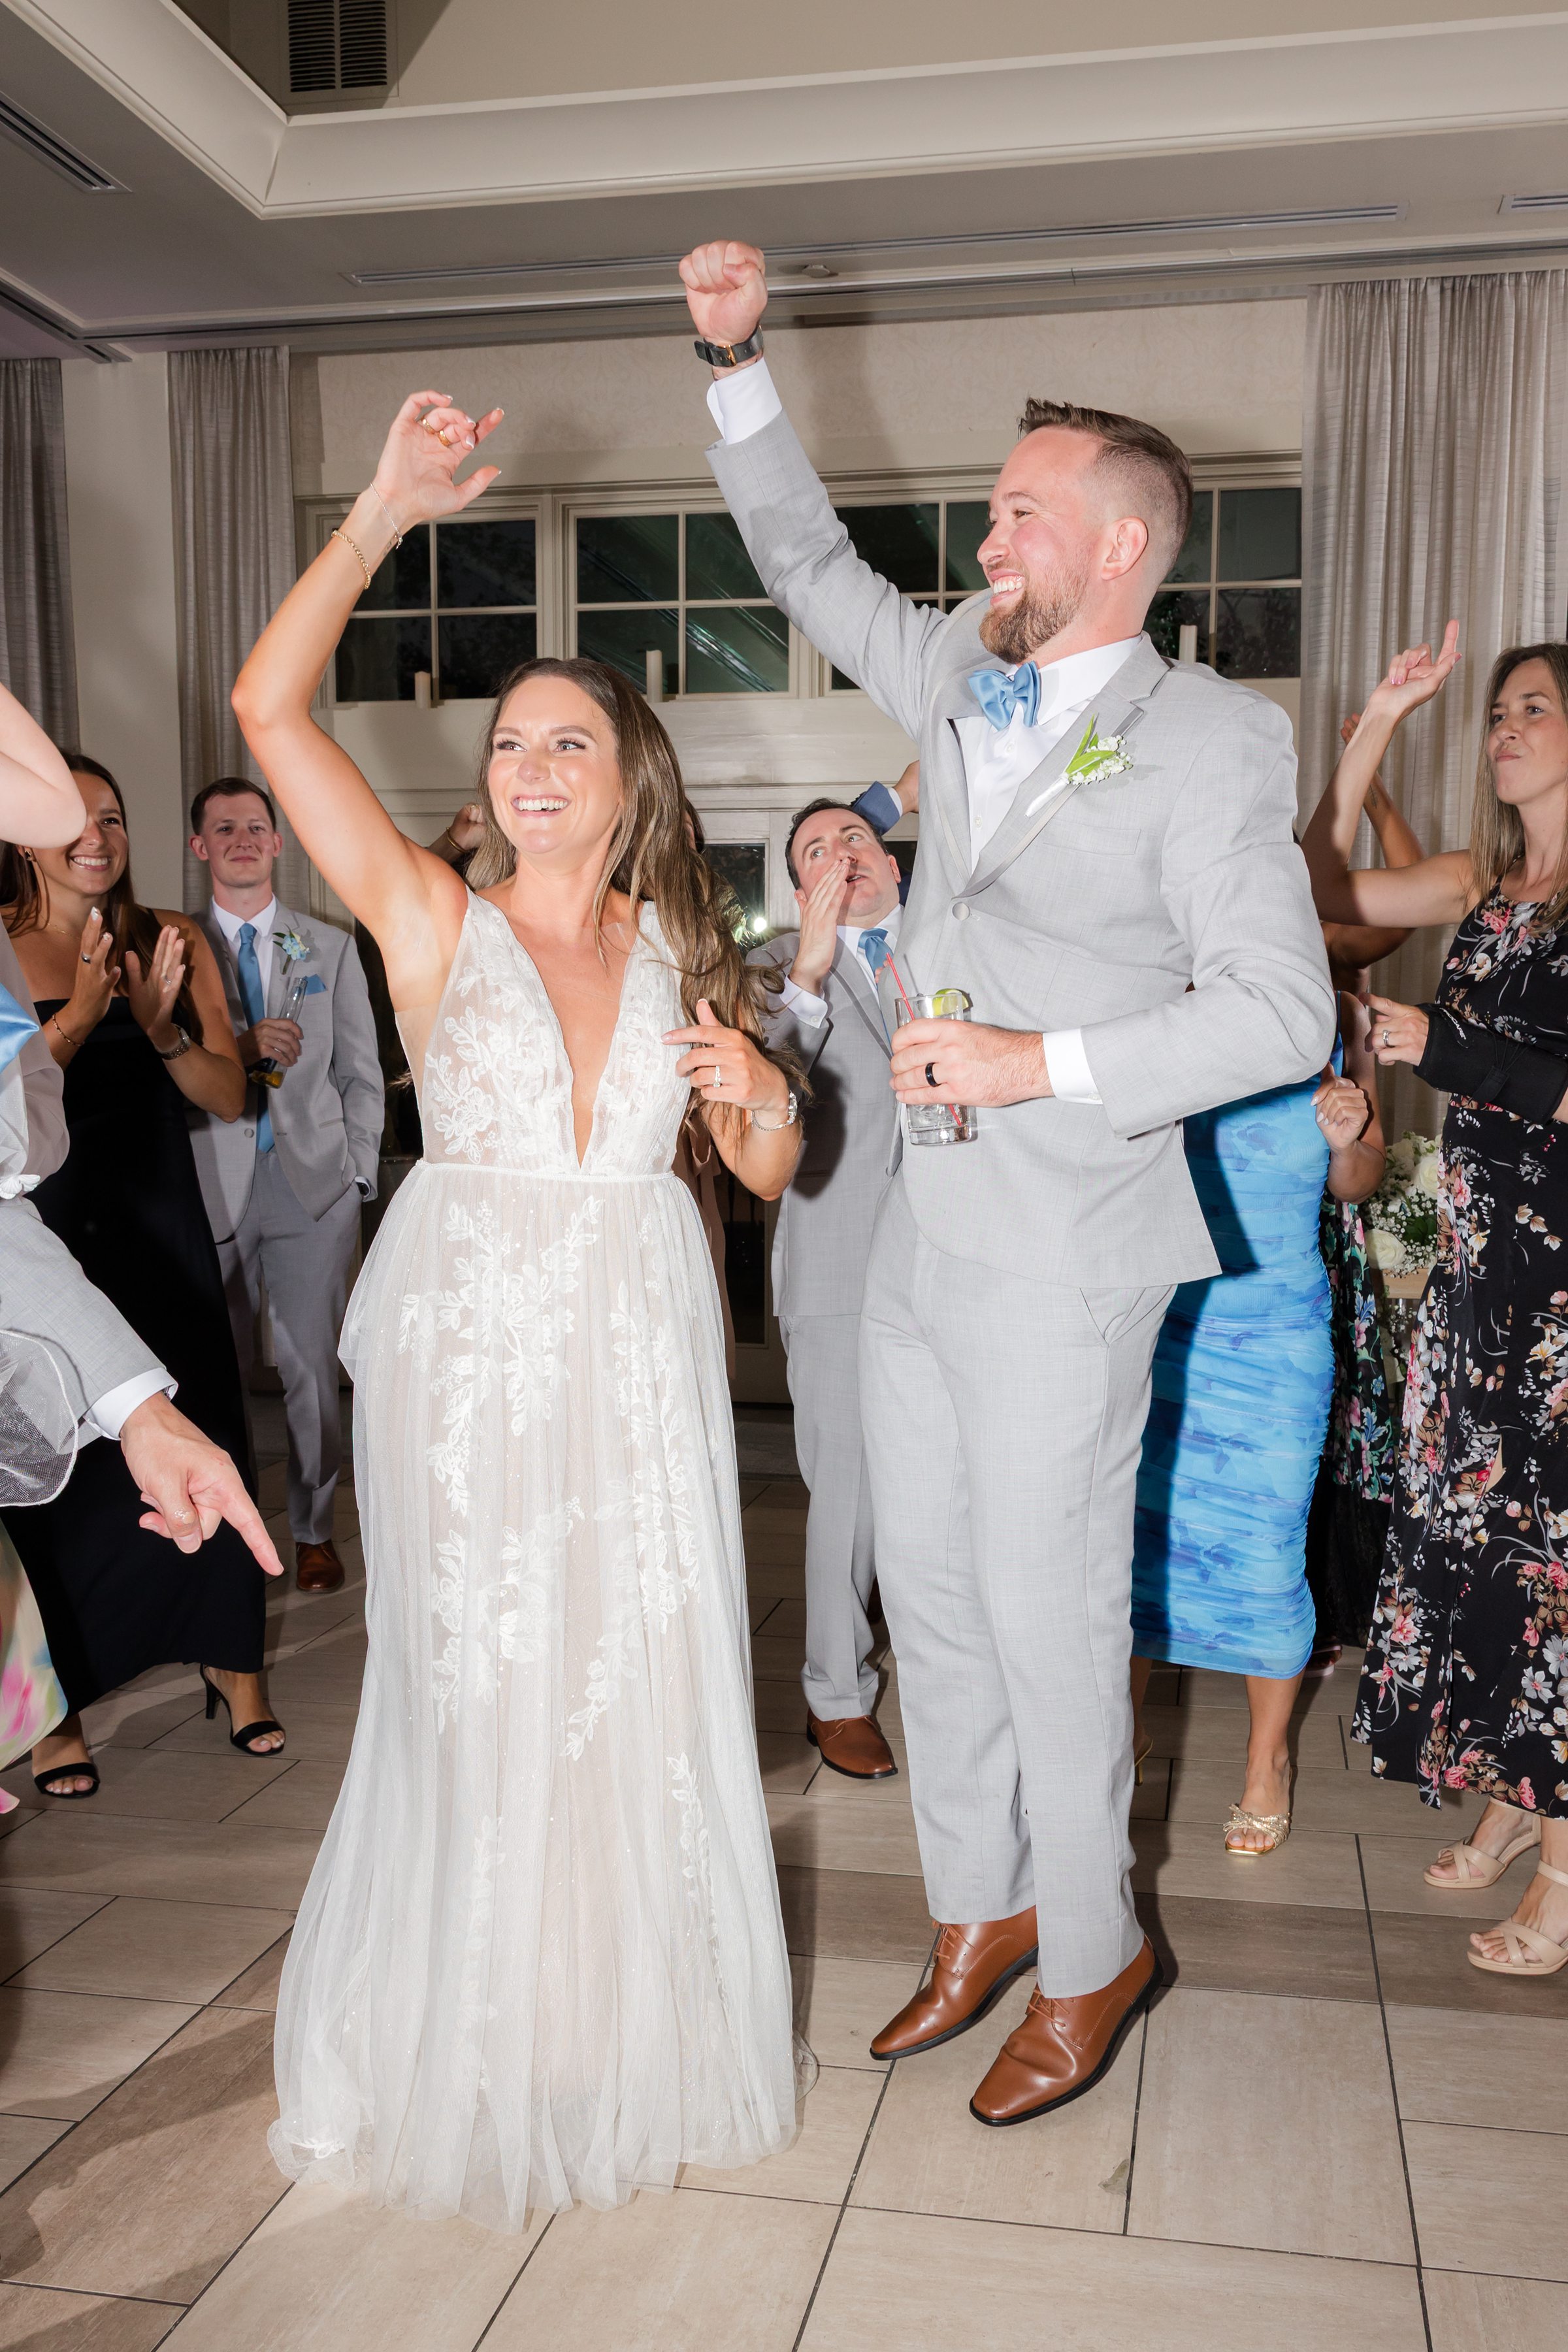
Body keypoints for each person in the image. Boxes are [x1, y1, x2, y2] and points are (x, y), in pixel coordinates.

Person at [682, 240, 1335, 2120]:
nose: (987, 546)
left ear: (1120, 545)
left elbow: (1280, 1015)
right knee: (936, 1595)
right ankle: (976, 1913)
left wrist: (1037, 1061)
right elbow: (808, 568)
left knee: (1051, 1614)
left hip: (1067, 1239)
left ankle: (1098, 1936)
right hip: (919, 1234)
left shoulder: (1217, 738)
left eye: (1018, 515)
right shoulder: (967, 670)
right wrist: (737, 363)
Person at [232, 387, 808, 2223]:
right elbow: (266, 711)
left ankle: (598, 2025)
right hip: (470, 1341)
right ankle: (459, 2025)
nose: (529, 764)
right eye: (507, 743)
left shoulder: (683, 948)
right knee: (480, 1679)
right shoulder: (423, 916)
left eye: (568, 739)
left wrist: (762, 1103)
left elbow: (772, 1168)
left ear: (628, 769)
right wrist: (383, 511)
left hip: (637, 1346)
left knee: (624, 1679)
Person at [1303, 628, 1568, 1979]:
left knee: (1557, 1561)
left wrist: (1447, 1047)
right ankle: (1526, 1798)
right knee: (1484, 1540)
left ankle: (1565, 1864)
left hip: (1564, 1283)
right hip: (1477, 1274)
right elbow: (1320, 887)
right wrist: (1377, 723)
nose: (1505, 726)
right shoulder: (1483, 882)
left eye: (1535, 707)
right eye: (1498, 710)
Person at [1, 755, 284, 1796]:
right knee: (53, 1452)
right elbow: (10, 1119)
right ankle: (55, 1709)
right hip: (41, 1226)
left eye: (113, 817)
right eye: (73, 817)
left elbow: (228, 1095)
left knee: (197, 1411)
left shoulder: (172, 934)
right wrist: (76, 1013)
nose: (97, 835)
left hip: (158, 1217)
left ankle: (236, 1665)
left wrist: (160, 1026)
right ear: (23, 830)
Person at [1128, 1016, 1385, 1853]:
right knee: (1138, 1543)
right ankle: (1118, 1741)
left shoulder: (1342, 1021)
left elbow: (1359, 1182)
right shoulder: (1162, 995)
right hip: (1160, 1319)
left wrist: (1348, 1141)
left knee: (1269, 1552)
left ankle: (1266, 1764)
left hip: (1277, 1335)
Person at [187, 777, 384, 1595]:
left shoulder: (327, 947)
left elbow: (361, 1071)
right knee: (210, 1373)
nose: (241, 838)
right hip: (208, 1189)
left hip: (312, 1189)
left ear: (278, 844)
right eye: (223, 827)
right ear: (200, 846)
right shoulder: (172, 945)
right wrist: (237, 1044)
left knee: (310, 1371)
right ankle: (222, 1531)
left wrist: (359, 1174)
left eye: (256, 827)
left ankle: (312, 1529)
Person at [747, 796, 905, 1777]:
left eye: (855, 835)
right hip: (841, 1259)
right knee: (847, 1492)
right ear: (800, 889)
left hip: (969, 1257)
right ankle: (836, 1693)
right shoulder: (775, 971)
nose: (842, 853)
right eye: (815, 850)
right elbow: (767, 1077)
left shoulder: (956, 934)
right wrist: (807, 972)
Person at [1303, 720, 1423, 1671]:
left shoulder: (1340, 985)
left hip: (1322, 1237)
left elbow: (1369, 1167)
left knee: (1339, 1408)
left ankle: (1326, 1610)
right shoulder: (1183, 966)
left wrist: (1375, 789)